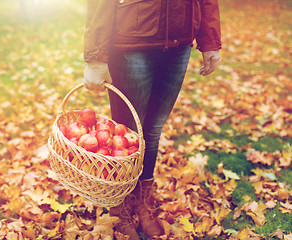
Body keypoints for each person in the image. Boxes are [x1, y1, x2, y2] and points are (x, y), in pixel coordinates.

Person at [83, 0, 221, 239]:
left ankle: (140, 202)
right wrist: (96, 55)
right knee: (126, 134)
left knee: (153, 130)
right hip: (131, 39)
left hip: (180, 39)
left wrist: (210, 39)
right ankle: (119, 206)